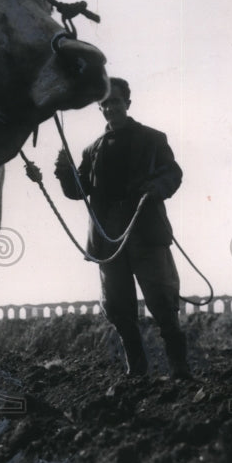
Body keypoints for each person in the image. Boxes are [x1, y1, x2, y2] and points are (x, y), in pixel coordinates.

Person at [53, 77, 193, 380]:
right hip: (108, 240)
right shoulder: (92, 151)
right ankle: (137, 370)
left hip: (146, 234)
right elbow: (79, 190)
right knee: (118, 307)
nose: (109, 108)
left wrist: (157, 187)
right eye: (104, 104)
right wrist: (64, 173)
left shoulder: (153, 139)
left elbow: (173, 173)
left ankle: (180, 371)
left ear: (127, 104)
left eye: (114, 102)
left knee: (162, 301)